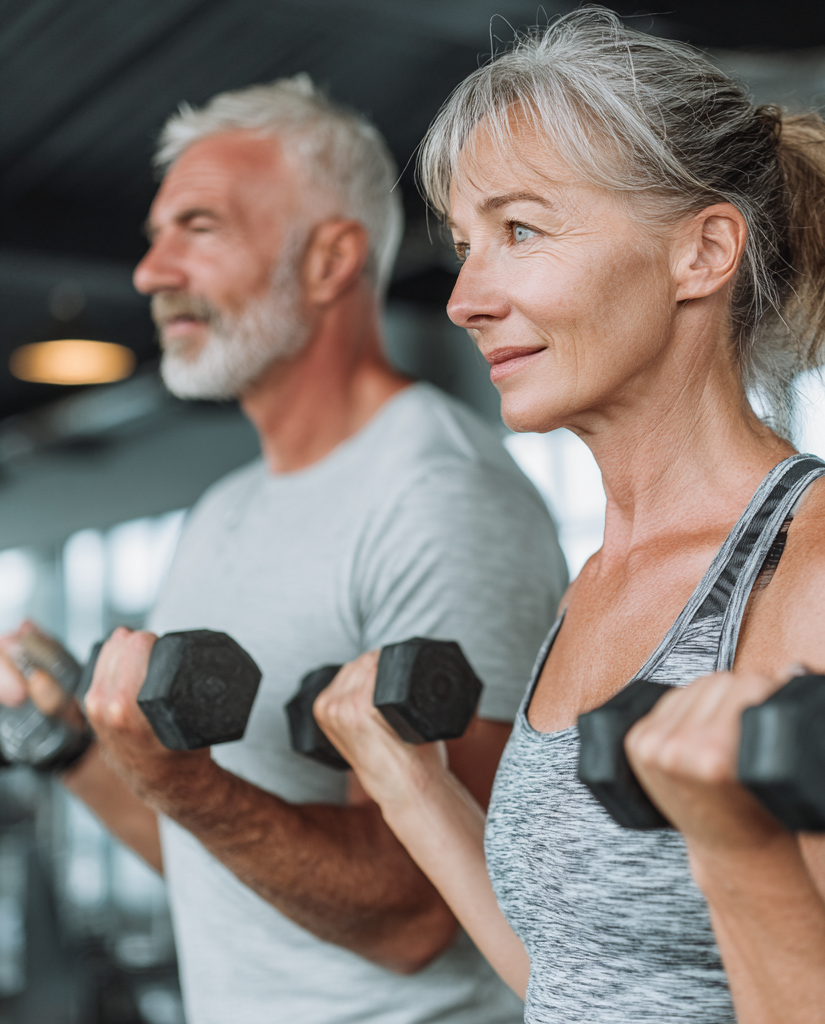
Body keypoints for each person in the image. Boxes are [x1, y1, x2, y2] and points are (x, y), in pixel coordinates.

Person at [311, 10, 825, 1024]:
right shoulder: (596, 584)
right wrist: (410, 784)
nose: (463, 298)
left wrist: (736, 849)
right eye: (464, 246)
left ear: (702, 253)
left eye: (520, 231)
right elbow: (583, 978)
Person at [0, 76, 567, 1024]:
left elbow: (418, 917)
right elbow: (213, 851)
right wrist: (73, 748)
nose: (151, 272)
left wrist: (189, 783)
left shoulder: (439, 495)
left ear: (329, 258)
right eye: (154, 237)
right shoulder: (224, 511)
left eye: (199, 228)